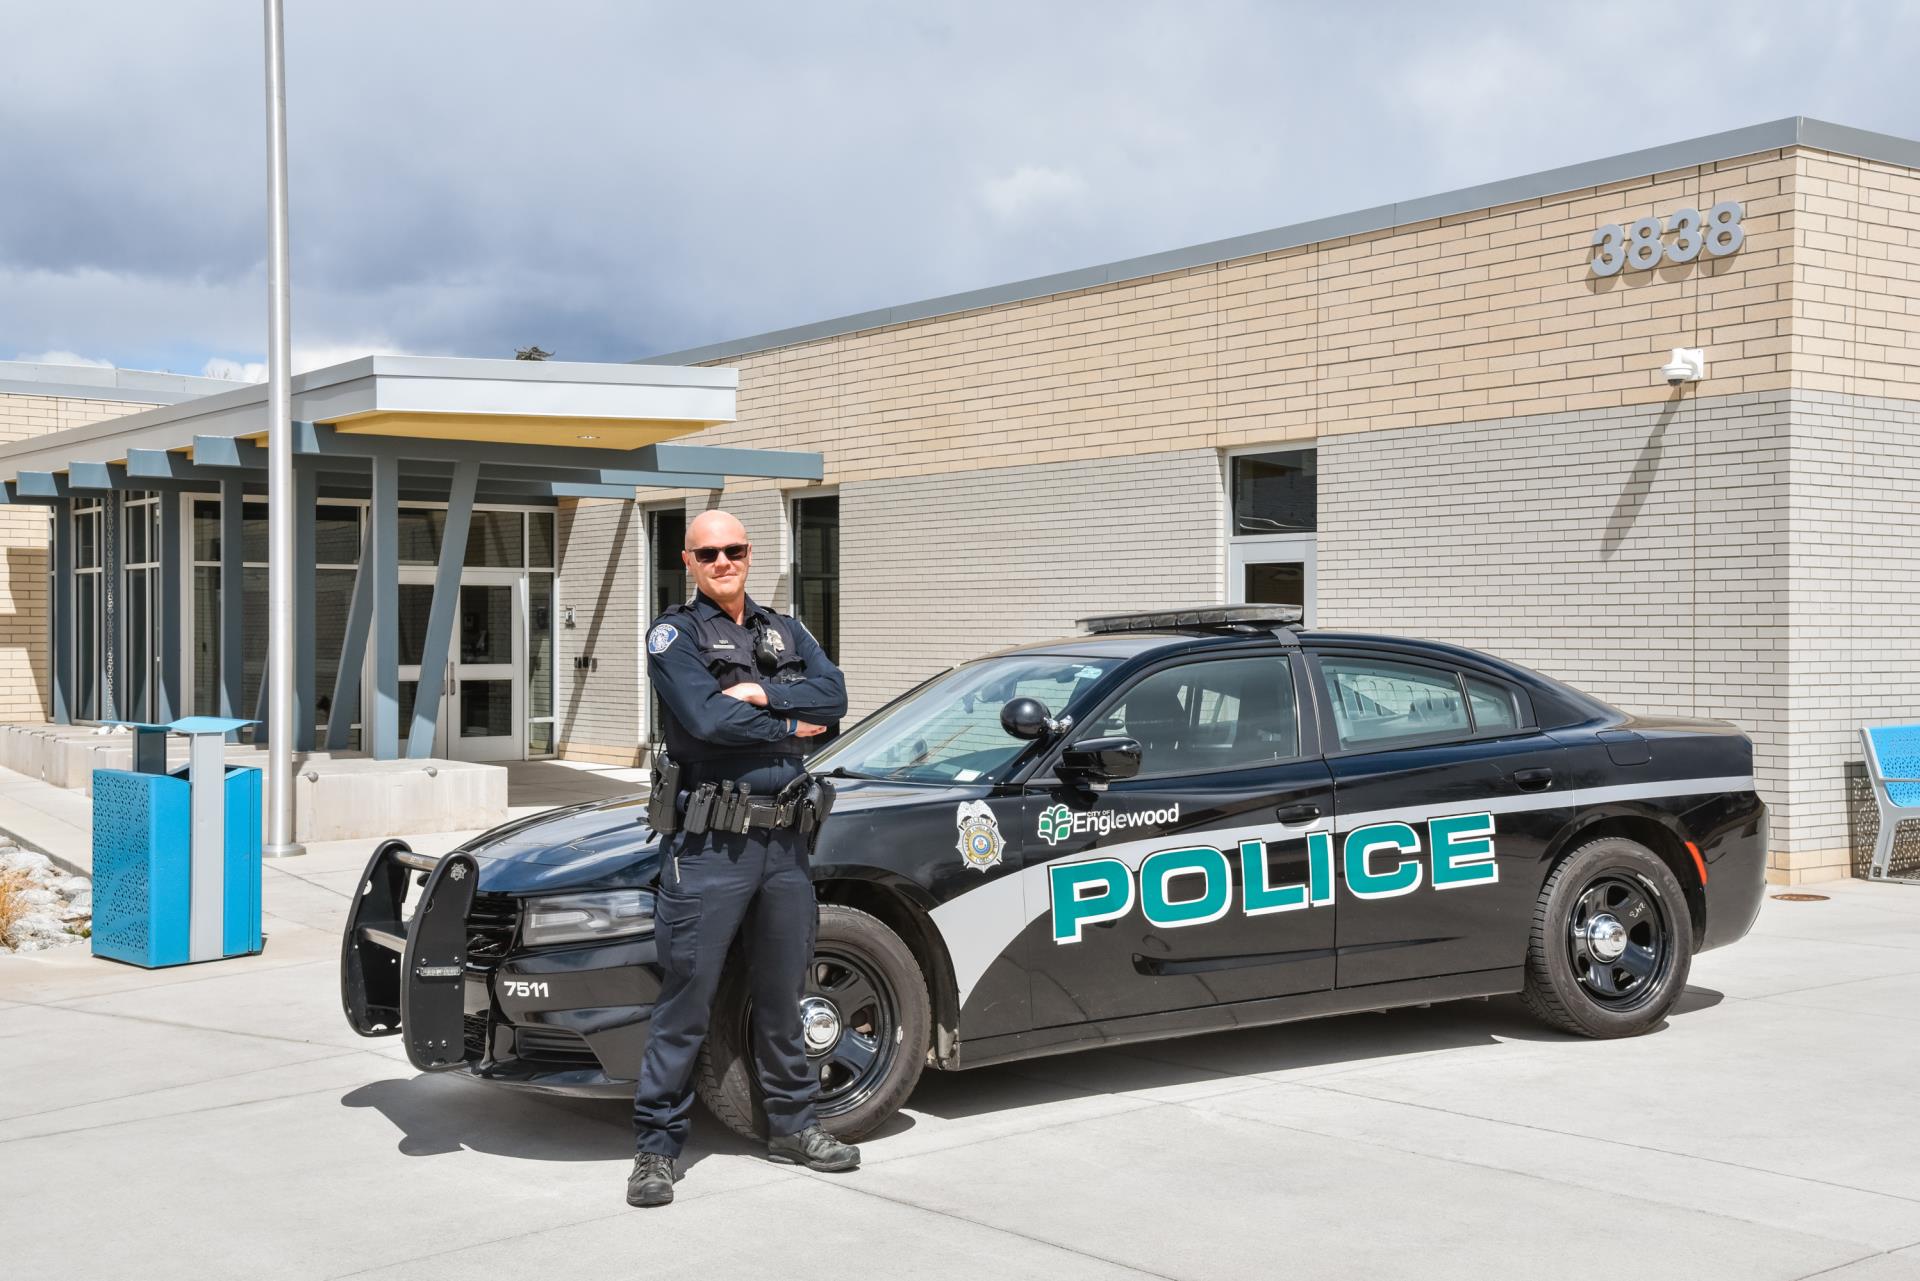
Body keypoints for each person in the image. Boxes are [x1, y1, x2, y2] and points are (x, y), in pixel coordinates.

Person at [626, 509, 858, 1209]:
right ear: (688, 561)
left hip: (786, 842)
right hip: (710, 846)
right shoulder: (676, 634)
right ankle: (656, 1148)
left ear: (750, 554)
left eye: (733, 550)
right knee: (687, 1000)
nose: (723, 561)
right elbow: (703, 720)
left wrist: (763, 694)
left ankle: (793, 1126)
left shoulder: (788, 629)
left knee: (784, 994)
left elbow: (838, 696)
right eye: (709, 552)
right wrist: (794, 721)